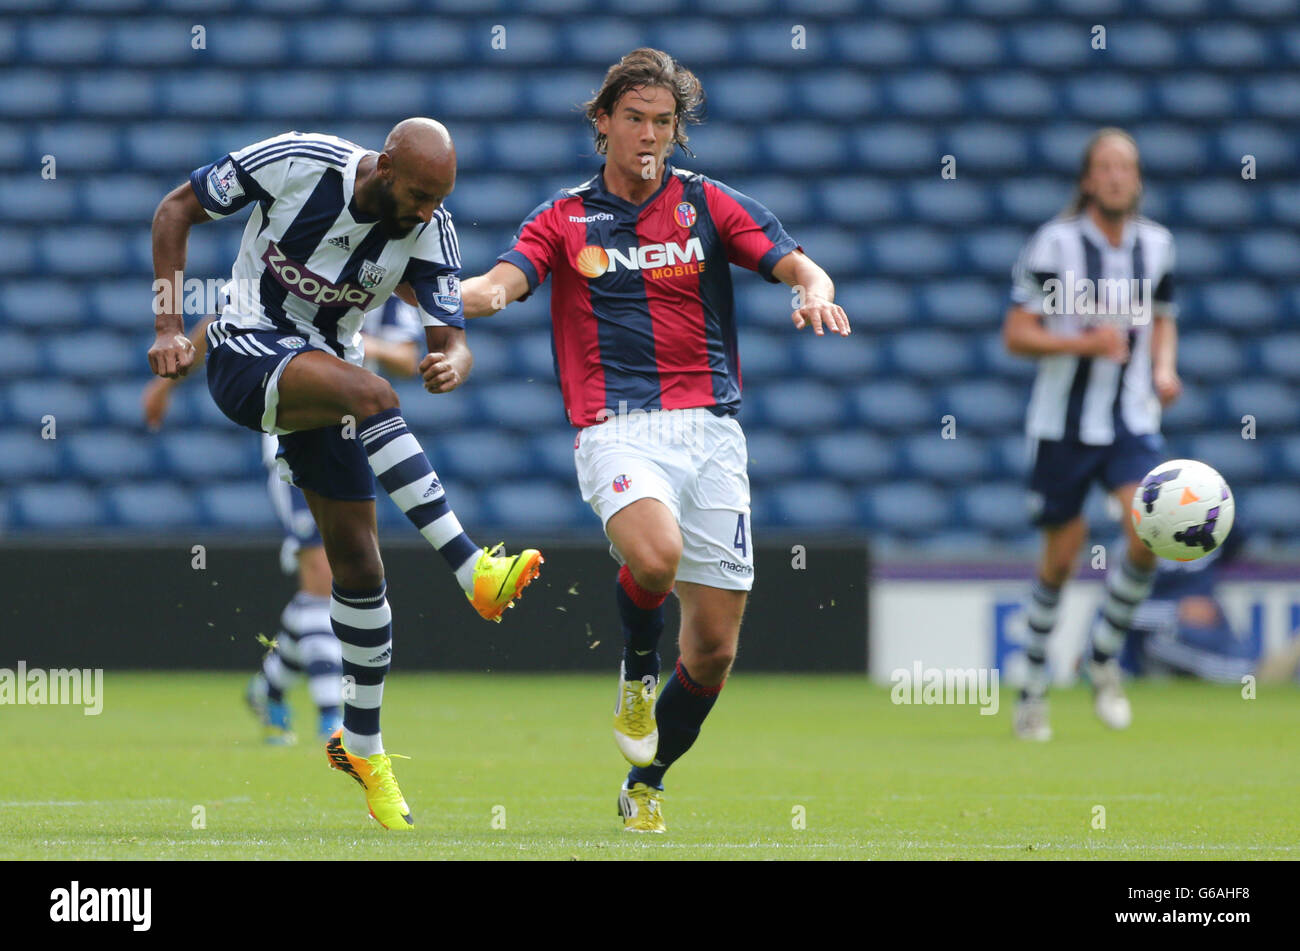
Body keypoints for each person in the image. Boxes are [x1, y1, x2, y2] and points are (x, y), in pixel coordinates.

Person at [459, 49, 851, 832]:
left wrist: (812, 288)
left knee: (711, 651)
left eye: (662, 122)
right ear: (601, 121)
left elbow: (799, 266)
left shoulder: (707, 205)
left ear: (678, 130)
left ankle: (649, 781)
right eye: (632, 118)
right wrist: (466, 299)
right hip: (617, 429)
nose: (647, 134)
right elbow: (501, 281)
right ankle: (637, 670)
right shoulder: (563, 218)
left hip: (711, 435)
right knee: (655, 556)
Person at [148, 119, 543, 830]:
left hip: (325, 376)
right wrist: (169, 325)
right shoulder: (299, 161)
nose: (428, 210)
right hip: (245, 348)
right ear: (385, 167)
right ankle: (472, 569)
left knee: (359, 569)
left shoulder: (431, 230)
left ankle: (363, 747)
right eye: (420, 194)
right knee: (375, 395)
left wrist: (453, 362)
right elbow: (175, 208)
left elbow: (452, 340)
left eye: (439, 198)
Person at [142, 296, 425, 745]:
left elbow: (409, 357)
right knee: (321, 574)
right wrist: (167, 385)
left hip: (352, 437)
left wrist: (355, 338)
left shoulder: (388, 281)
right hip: (292, 436)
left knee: (333, 578)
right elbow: (222, 321)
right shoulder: (307, 257)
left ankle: (269, 686)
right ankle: (333, 713)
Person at [1002, 127, 1181, 740]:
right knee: (1060, 560)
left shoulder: (1157, 246)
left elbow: (1162, 319)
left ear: (1136, 179)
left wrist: (1163, 368)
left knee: (1149, 530)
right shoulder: (1055, 244)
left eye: (1125, 166)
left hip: (1131, 421)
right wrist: (1083, 342)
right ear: (1087, 179)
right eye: (1104, 166)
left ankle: (1102, 656)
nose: (1115, 176)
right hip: (1063, 426)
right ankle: (1032, 688)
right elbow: (1016, 333)